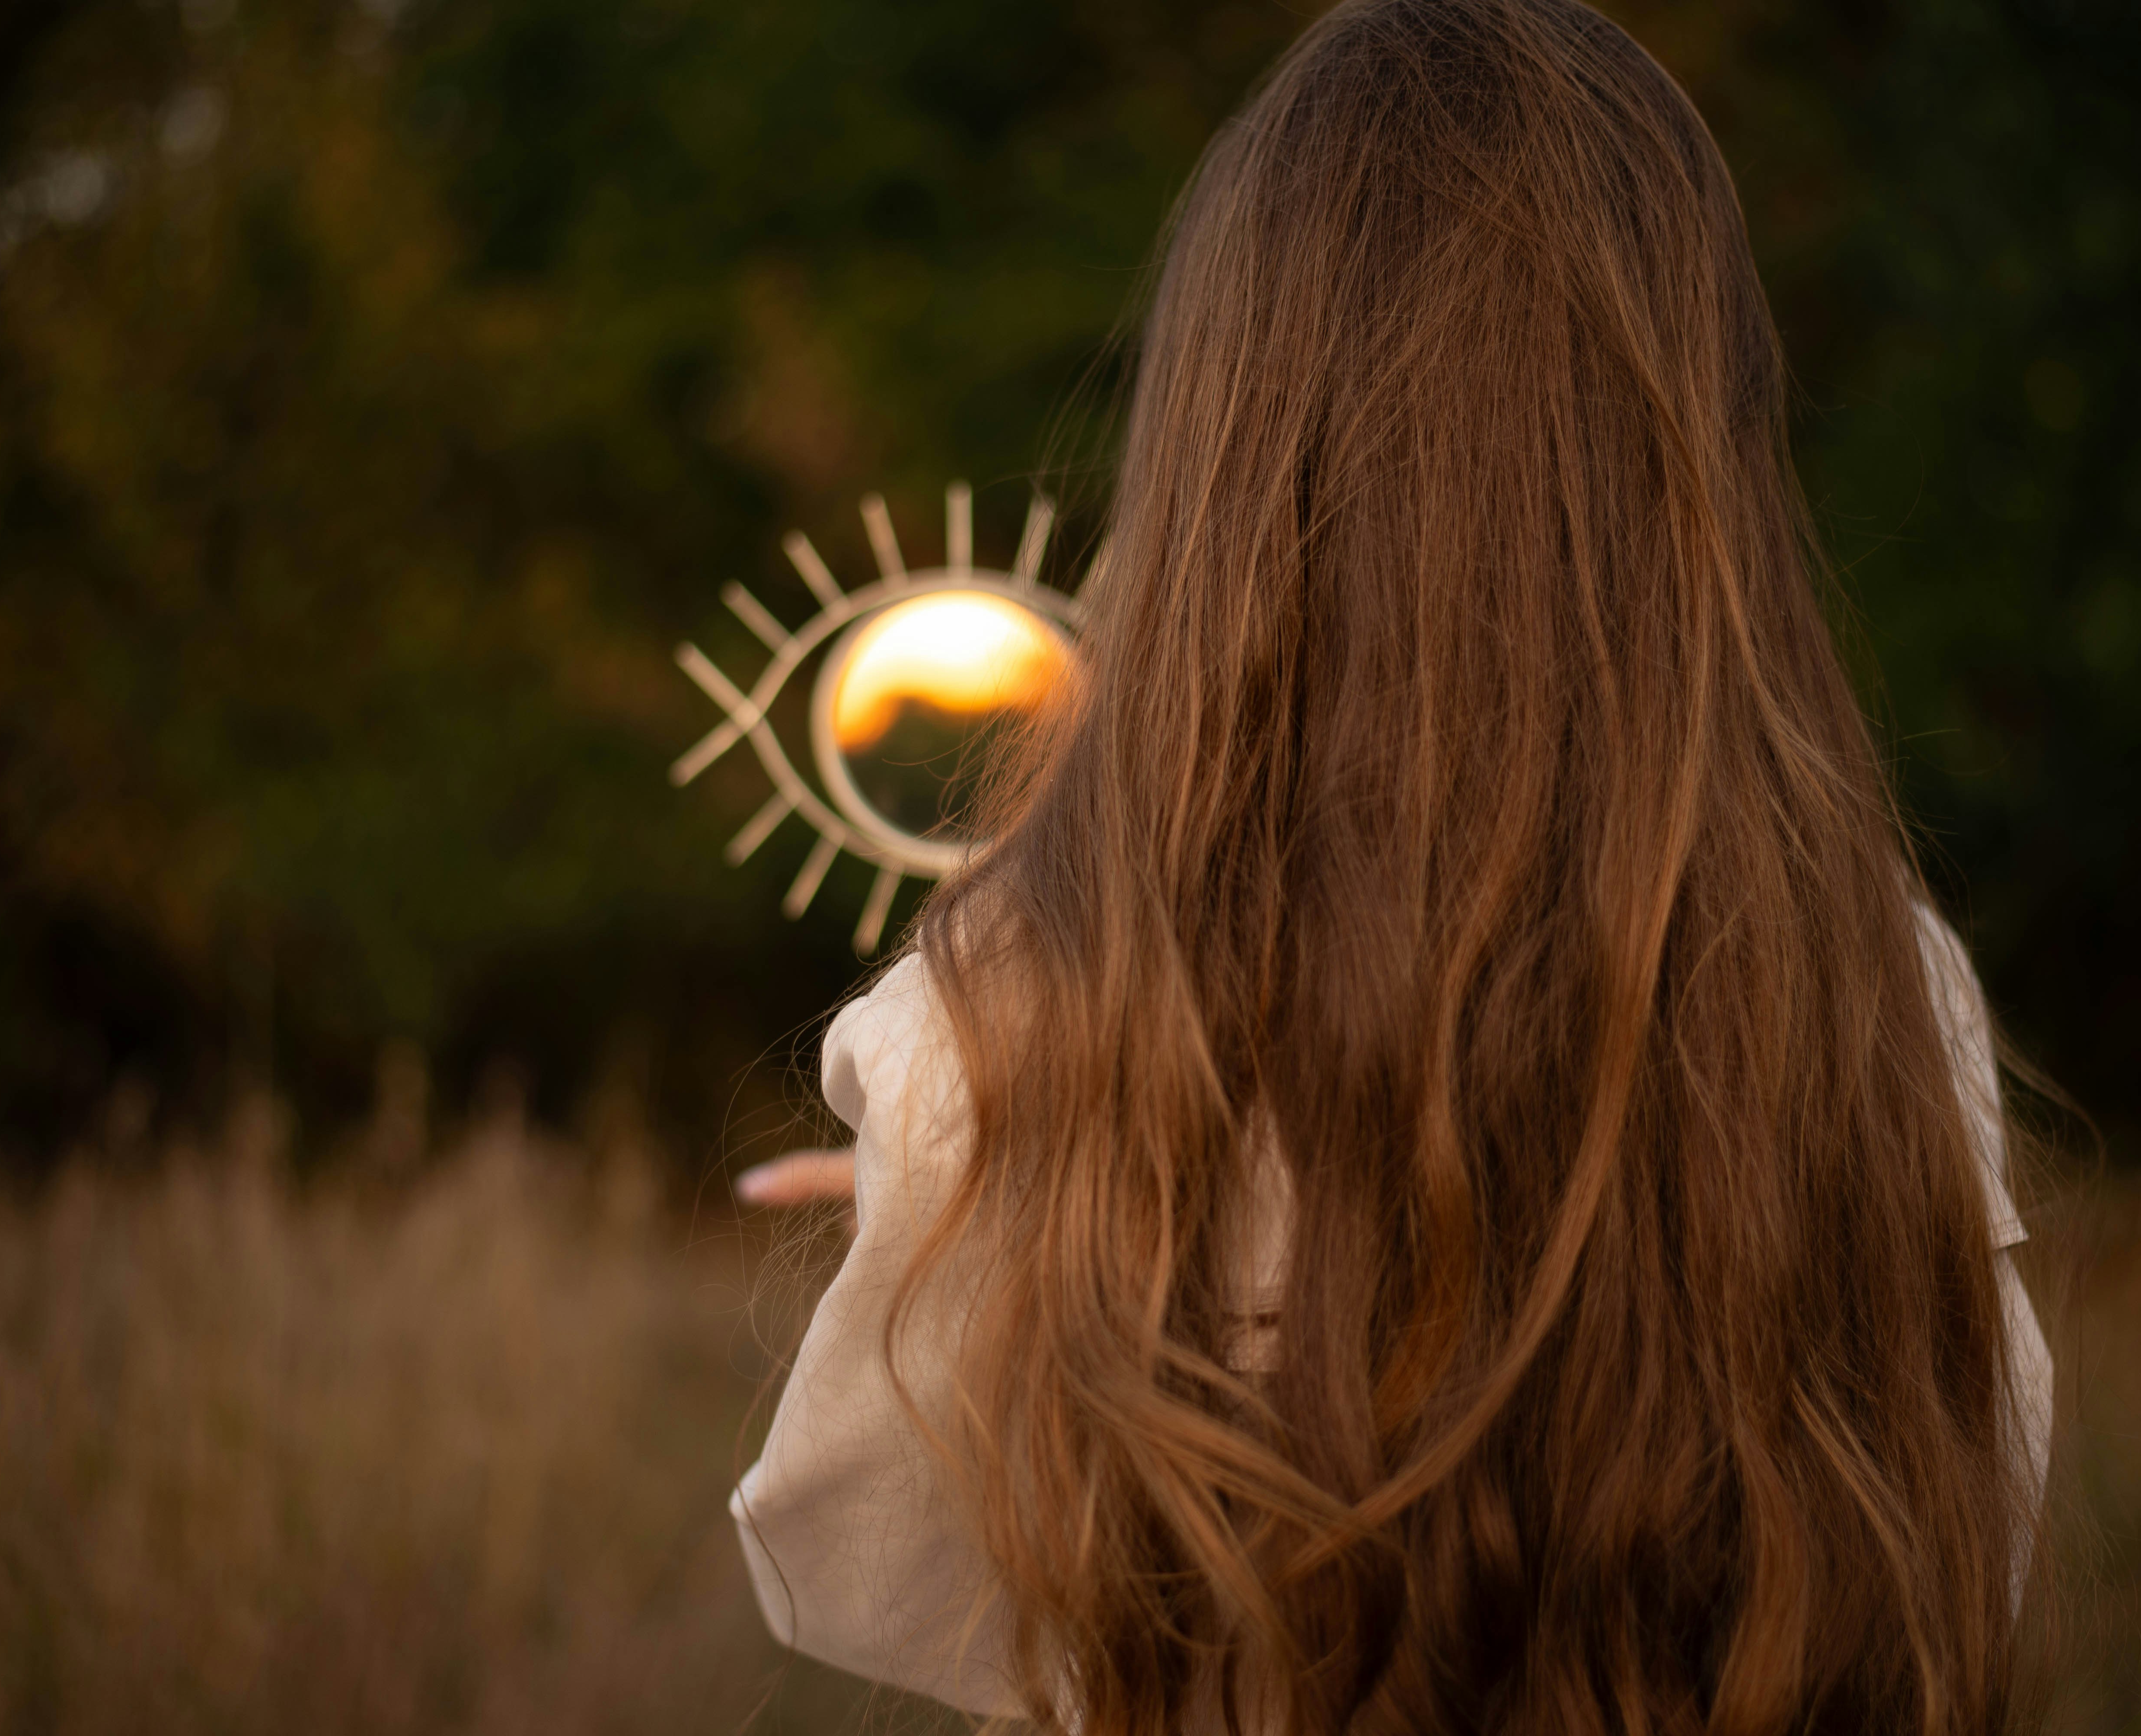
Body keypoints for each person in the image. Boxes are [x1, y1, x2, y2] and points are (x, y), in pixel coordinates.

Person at [731, 2, 2055, 1730]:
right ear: (1707, 433)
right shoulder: (1885, 988)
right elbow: (1972, 1541)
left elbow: (888, 1579)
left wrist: (990, 1171)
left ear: (1225, 437)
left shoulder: (1006, 1025)